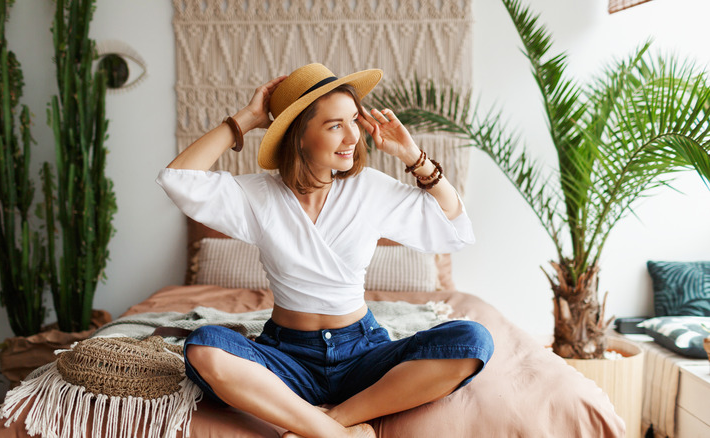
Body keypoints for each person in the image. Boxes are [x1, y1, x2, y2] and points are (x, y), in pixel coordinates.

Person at [157, 63, 494, 438]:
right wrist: (248, 118)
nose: (353, 135)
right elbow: (178, 179)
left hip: (362, 354)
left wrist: (412, 156)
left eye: (354, 120)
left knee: (471, 340)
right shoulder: (257, 196)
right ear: (299, 136)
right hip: (286, 357)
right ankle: (336, 434)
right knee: (204, 346)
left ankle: (331, 422)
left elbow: (454, 227)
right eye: (335, 125)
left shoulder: (370, 189)